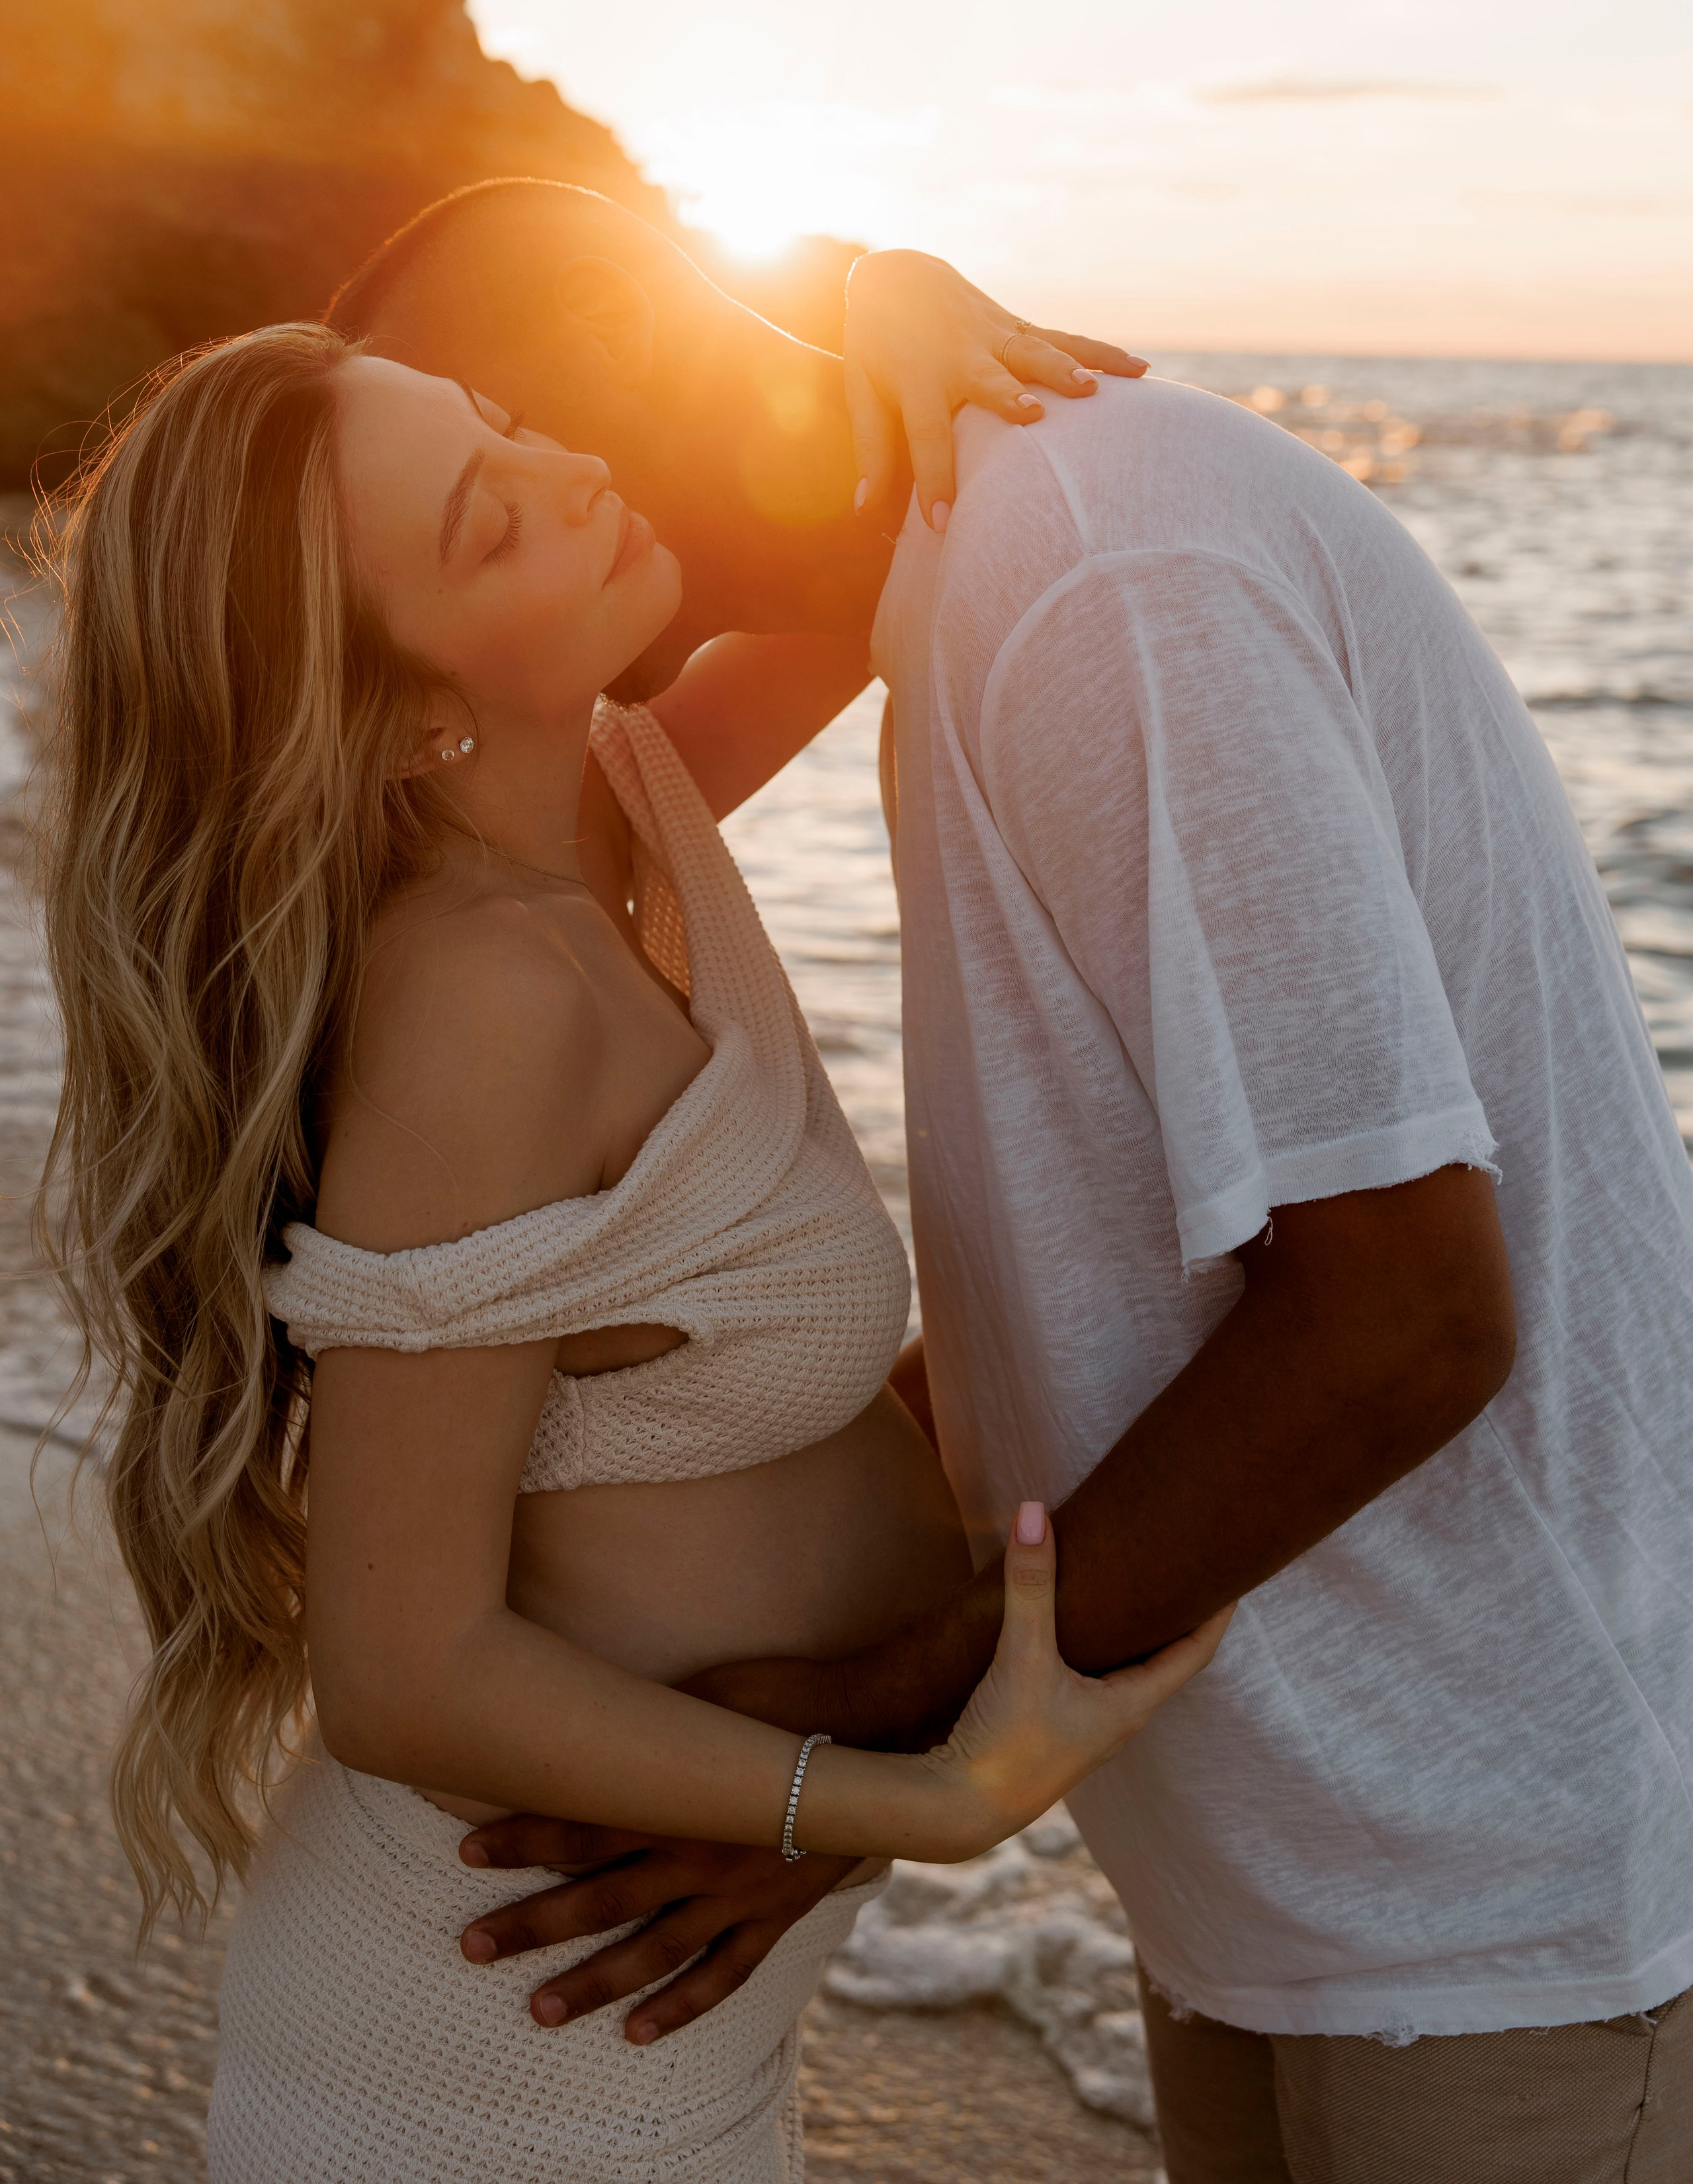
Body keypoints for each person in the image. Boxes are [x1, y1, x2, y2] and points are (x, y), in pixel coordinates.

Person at [376, 201, 1693, 2181]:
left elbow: (1410, 1312)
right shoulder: (955, 570)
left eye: (508, 448)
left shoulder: (1092, 571)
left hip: (1497, 1881)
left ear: (610, 404)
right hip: (1292, 1864)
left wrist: (850, 1746)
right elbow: (1117, 1286)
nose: (537, 495)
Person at [39, 243, 1227, 2183]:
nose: (575, 471)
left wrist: (883, 294)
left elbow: (866, 560)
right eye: (489, 519)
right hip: (502, 2054)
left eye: (508, 422)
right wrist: (905, 1806)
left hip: (636, 2023)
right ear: (390, 684)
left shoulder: (623, 798)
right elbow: (400, 1668)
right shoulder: (480, 993)